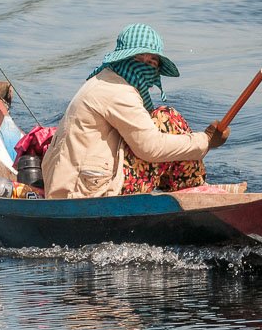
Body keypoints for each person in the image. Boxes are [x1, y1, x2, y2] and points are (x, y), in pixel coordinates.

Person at [42, 23, 229, 199]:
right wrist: (206, 140)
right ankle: (193, 189)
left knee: (160, 120)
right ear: (123, 59)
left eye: (152, 61)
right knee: (168, 119)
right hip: (82, 192)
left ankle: (189, 188)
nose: (144, 65)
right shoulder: (117, 91)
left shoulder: (108, 79)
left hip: (70, 181)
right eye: (138, 59)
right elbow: (150, 148)